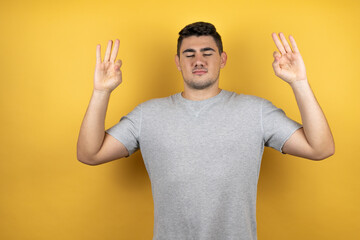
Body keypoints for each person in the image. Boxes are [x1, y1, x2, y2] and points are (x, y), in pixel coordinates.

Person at [77, 22, 334, 240]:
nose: (198, 60)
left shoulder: (256, 111)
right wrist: (101, 92)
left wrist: (299, 83)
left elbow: (320, 148)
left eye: (207, 52)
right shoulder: (148, 115)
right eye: (189, 54)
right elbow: (89, 154)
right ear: (178, 62)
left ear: (222, 59)